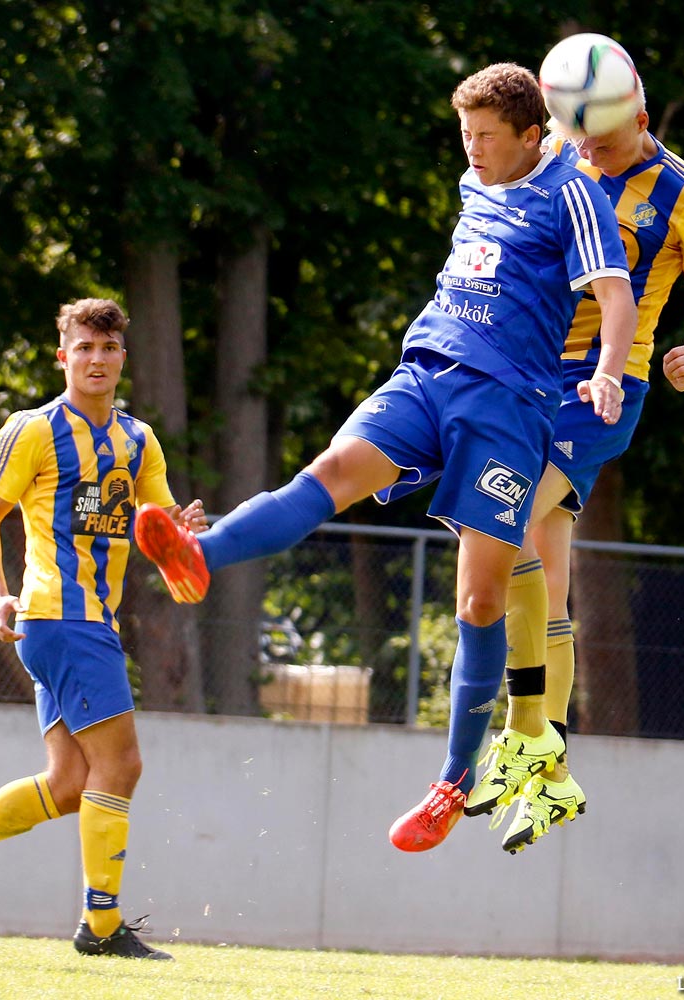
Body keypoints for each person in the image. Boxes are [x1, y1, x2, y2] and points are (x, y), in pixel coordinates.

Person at [131, 63, 637, 853]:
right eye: (464, 134)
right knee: (329, 471)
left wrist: (606, 370)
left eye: (486, 136)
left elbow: (616, 296)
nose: (470, 149)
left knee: (478, 602)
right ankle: (199, 552)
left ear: (532, 136)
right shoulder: (480, 179)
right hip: (425, 375)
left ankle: (452, 782)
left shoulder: (572, 189)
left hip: (507, 412)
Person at [0, 298, 207, 960]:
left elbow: (162, 521)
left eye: (107, 348)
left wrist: (186, 528)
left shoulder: (138, 440)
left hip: (88, 624)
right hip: (61, 618)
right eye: (83, 348)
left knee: (69, 784)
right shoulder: (32, 429)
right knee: (121, 765)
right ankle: (101, 926)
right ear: (63, 357)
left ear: (123, 358)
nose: (95, 359)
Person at [465, 65, 684, 853]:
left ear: (641, 115)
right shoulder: (557, 159)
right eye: (581, 135)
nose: (593, 152)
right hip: (530, 377)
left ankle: (525, 735)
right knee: (547, 571)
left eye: (606, 139)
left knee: (502, 525)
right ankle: (553, 775)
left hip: (605, 390)